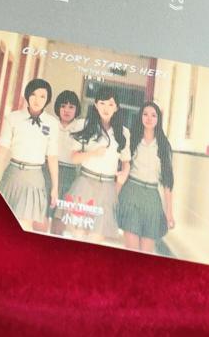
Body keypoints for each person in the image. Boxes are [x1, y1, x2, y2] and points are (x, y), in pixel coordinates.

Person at [63, 85, 130, 242]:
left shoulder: (123, 132)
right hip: (85, 183)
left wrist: (122, 177)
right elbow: (74, 158)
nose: (106, 108)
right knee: (78, 234)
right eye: (102, 103)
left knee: (96, 237)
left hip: (108, 187)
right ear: (95, 104)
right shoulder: (84, 125)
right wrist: (93, 153)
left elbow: (126, 161)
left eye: (111, 104)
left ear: (116, 108)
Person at [0, 77, 57, 231]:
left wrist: (55, 187)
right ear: (27, 95)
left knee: (25, 225)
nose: (37, 100)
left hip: (34, 178)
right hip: (12, 174)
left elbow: (52, 157)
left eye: (42, 96)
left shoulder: (52, 123)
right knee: (1, 221)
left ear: (47, 100)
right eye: (33, 94)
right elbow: (2, 148)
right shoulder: (13, 117)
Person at [117, 100, 176, 254]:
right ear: (140, 117)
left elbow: (167, 181)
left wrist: (169, 212)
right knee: (131, 248)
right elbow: (122, 169)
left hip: (152, 200)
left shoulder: (163, 145)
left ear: (158, 119)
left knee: (146, 252)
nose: (149, 118)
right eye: (145, 114)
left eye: (153, 115)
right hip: (131, 194)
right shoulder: (132, 139)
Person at [48, 88, 83, 235]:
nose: (66, 110)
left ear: (76, 109)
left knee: (60, 217)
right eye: (63, 106)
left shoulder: (81, 126)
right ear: (58, 107)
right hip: (49, 171)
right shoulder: (51, 123)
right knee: (43, 213)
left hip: (70, 174)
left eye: (71, 107)